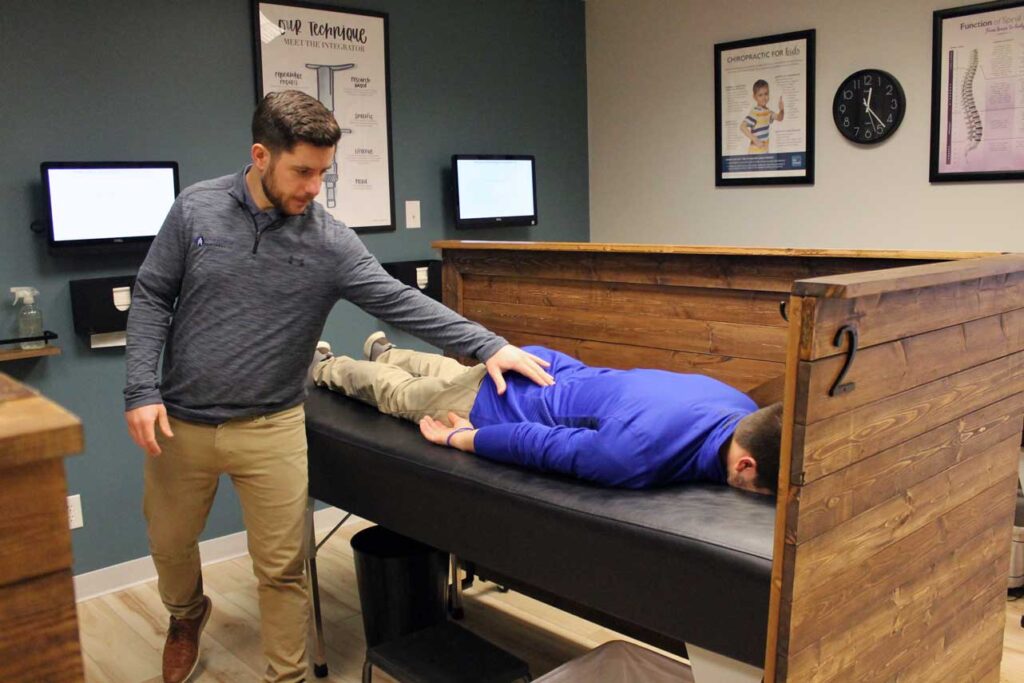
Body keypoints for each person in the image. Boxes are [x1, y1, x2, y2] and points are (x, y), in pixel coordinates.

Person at [123, 90, 553, 683]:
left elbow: (397, 299)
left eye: (323, 174)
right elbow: (150, 296)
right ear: (260, 156)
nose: (312, 188)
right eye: (302, 171)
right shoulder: (195, 211)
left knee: (282, 570)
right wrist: (141, 389)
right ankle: (186, 614)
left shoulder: (327, 240)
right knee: (170, 546)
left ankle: (288, 676)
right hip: (182, 421)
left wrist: (489, 344)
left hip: (271, 425)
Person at [313, 333, 783, 494]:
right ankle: (330, 367)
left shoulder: (739, 403)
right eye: (755, 492)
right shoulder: (635, 454)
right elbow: (539, 445)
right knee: (403, 398)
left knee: (453, 372)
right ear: (746, 464)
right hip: (500, 401)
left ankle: (389, 351)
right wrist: (461, 439)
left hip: (539, 363)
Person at [739, 79, 785, 154]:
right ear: (754, 97)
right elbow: (742, 127)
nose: (764, 97)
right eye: (760, 95)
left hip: (764, 150)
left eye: (766, 94)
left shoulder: (768, 112)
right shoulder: (755, 112)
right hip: (755, 151)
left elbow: (780, 118)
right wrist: (755, 140)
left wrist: (782, 110)